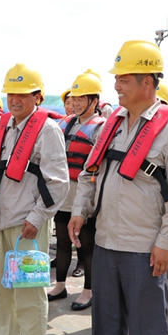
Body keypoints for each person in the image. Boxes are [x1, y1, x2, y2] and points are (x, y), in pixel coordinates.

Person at [65, 40, 168, 335]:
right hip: (106, 237)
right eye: (117, 79)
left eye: (123, 79)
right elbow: (90, 173)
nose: (117, 86)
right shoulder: (113, 125)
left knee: (147, 322)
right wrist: (79, 211)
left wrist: (166, 241)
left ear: (147, 82)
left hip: (144, 244)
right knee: (106, 313)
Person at [0, 63, 69, 335]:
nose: (14, 99)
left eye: (22, 94)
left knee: (29, 289)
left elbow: (58, 182)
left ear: (37, 97)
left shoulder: (47, 130)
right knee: (2, 287)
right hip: (3, 220)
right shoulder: (5, 125)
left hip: (28, 223)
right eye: (11, 93)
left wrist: (38, 217)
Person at [48, 70, 107, 310]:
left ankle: (88, 290)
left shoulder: (101, 127)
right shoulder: (67, 123)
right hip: (64, 191)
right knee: (62, 240)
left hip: (85, 193)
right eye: (74, 98)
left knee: (86, 243)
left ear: (94, 101)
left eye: (82, 98)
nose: (76, 103)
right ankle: (60, 285)